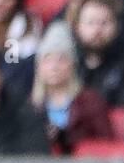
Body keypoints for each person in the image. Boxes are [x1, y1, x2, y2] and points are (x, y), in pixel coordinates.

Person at [30, 24, 114, 155]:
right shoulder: (31, 105)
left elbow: (106, 144)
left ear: (72, 65)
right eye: (47, 60)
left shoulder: (90, 101)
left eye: (61, 60)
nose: (54, 67)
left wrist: (64, 137)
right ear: (39, 67)